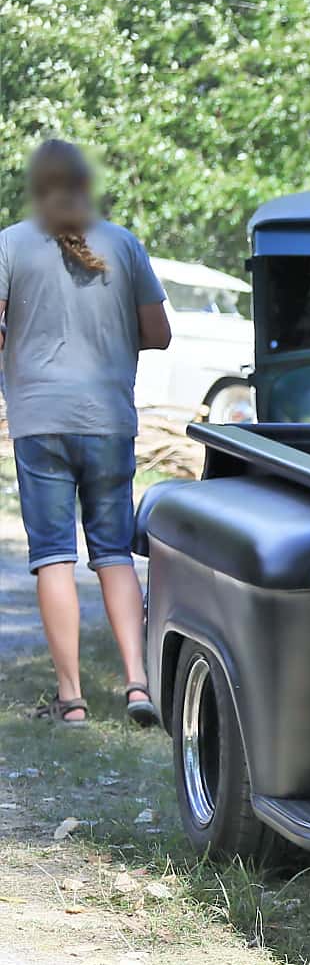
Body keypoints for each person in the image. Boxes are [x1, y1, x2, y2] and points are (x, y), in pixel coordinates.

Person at [0, 140, 169, 726]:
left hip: (39, 420)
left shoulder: (11, 244)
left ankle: (71, 700)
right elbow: (160, 333)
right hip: (107, 421)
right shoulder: (124, 244)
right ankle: (138, 685)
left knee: (52, 557)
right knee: (114, 554)